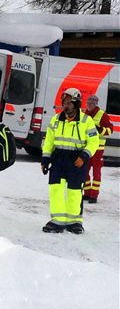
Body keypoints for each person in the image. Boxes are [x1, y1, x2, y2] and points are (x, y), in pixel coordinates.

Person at [41, 87, 99, 234]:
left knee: (75, 191)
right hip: (59, 159)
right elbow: (49, 141)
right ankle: (57, 221)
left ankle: (74, 222)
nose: (65, 106)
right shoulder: (56, 120)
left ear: (76, 104)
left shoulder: (87, 121)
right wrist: (45, 159)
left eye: (68, 103)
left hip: (77, 160)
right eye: (64, 102)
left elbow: (93, 142)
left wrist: (84, 157)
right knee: (56, 189)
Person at [83, 94, 113, 203]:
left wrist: (100, 129)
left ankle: (93, 195)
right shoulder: (84, 114)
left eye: (91, 103)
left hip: (98, 149)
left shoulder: (102, 115)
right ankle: (86, 193)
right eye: (87, 103)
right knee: (84, 171)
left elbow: (110, 130)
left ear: (95, 104)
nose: (89, 105)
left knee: (96, 172)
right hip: (86, 147)